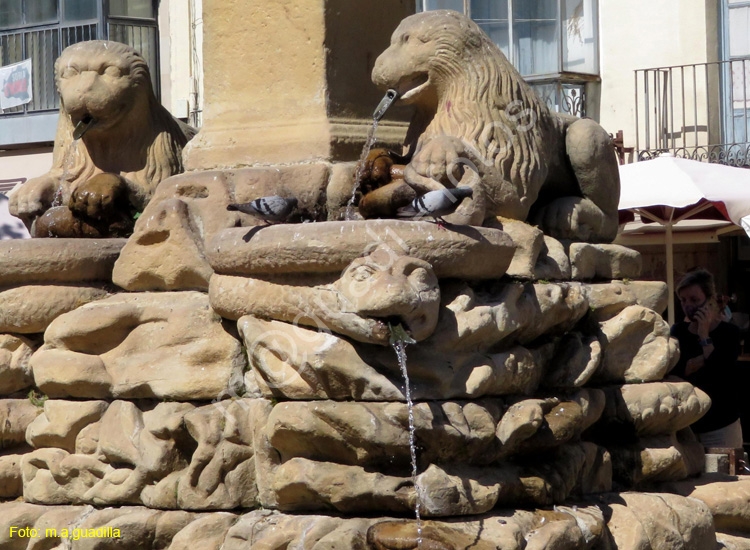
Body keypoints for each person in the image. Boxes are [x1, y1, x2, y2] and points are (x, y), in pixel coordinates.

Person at [671, 269, 743, 449]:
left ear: (709, 300)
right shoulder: (678, 332)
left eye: (694, 300)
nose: (688, 306)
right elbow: (679, 371)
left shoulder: (729, 333)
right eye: (683, 300)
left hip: (721, 424)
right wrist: (706, 359)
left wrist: (704, 336)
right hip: (689, 427)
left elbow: (720, 371)